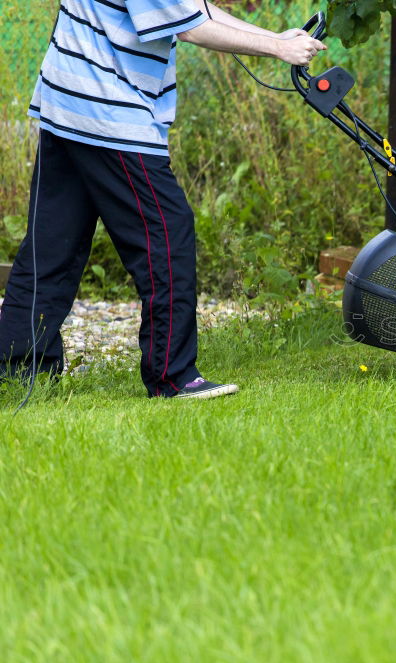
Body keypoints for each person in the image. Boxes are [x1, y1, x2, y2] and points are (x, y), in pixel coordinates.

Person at [0, 0, 326, 399]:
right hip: (108, 111)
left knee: (50, 247)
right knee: (167, 235)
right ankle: (173, 376)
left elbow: (189, 8)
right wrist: (276, 48)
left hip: (65, 104)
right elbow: (189, 26)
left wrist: (274, 37)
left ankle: (18, 373)